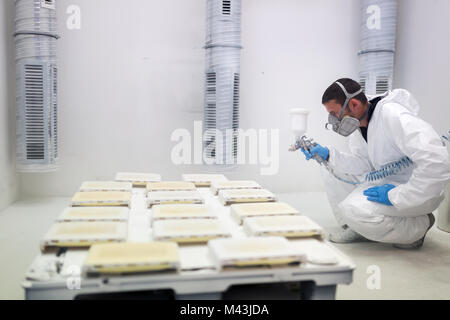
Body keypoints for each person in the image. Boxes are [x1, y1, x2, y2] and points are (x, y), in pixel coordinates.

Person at [301, 78, 450, 249]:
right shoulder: (359, 124)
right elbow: (363, 164)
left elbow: (436, 161)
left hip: (414, 190)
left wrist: (398, 195)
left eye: (335, 114)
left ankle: (417, 227)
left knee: (354, 209)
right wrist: (328, 155)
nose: (334, 121)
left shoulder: (393, 115)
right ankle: (355, 227)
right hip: (387, 182)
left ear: (354, 105)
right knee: (329, 168)